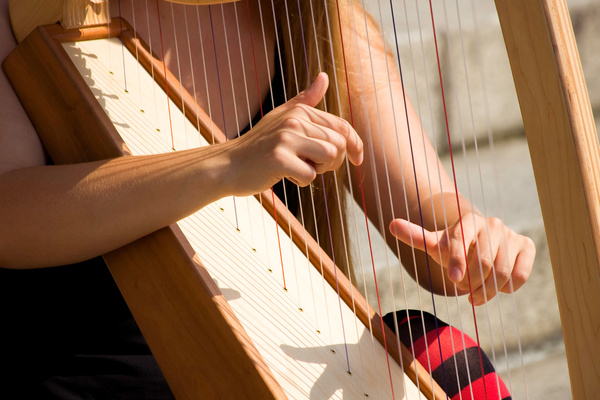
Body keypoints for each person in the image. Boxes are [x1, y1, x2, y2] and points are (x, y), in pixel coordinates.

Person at [0, 0, 534, 398]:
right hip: (100, 373)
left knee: (450, 367)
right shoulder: (24, 16)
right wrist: (228, 165)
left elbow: (425, 206)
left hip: (282, 357)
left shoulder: (315, 20)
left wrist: (468, 239)